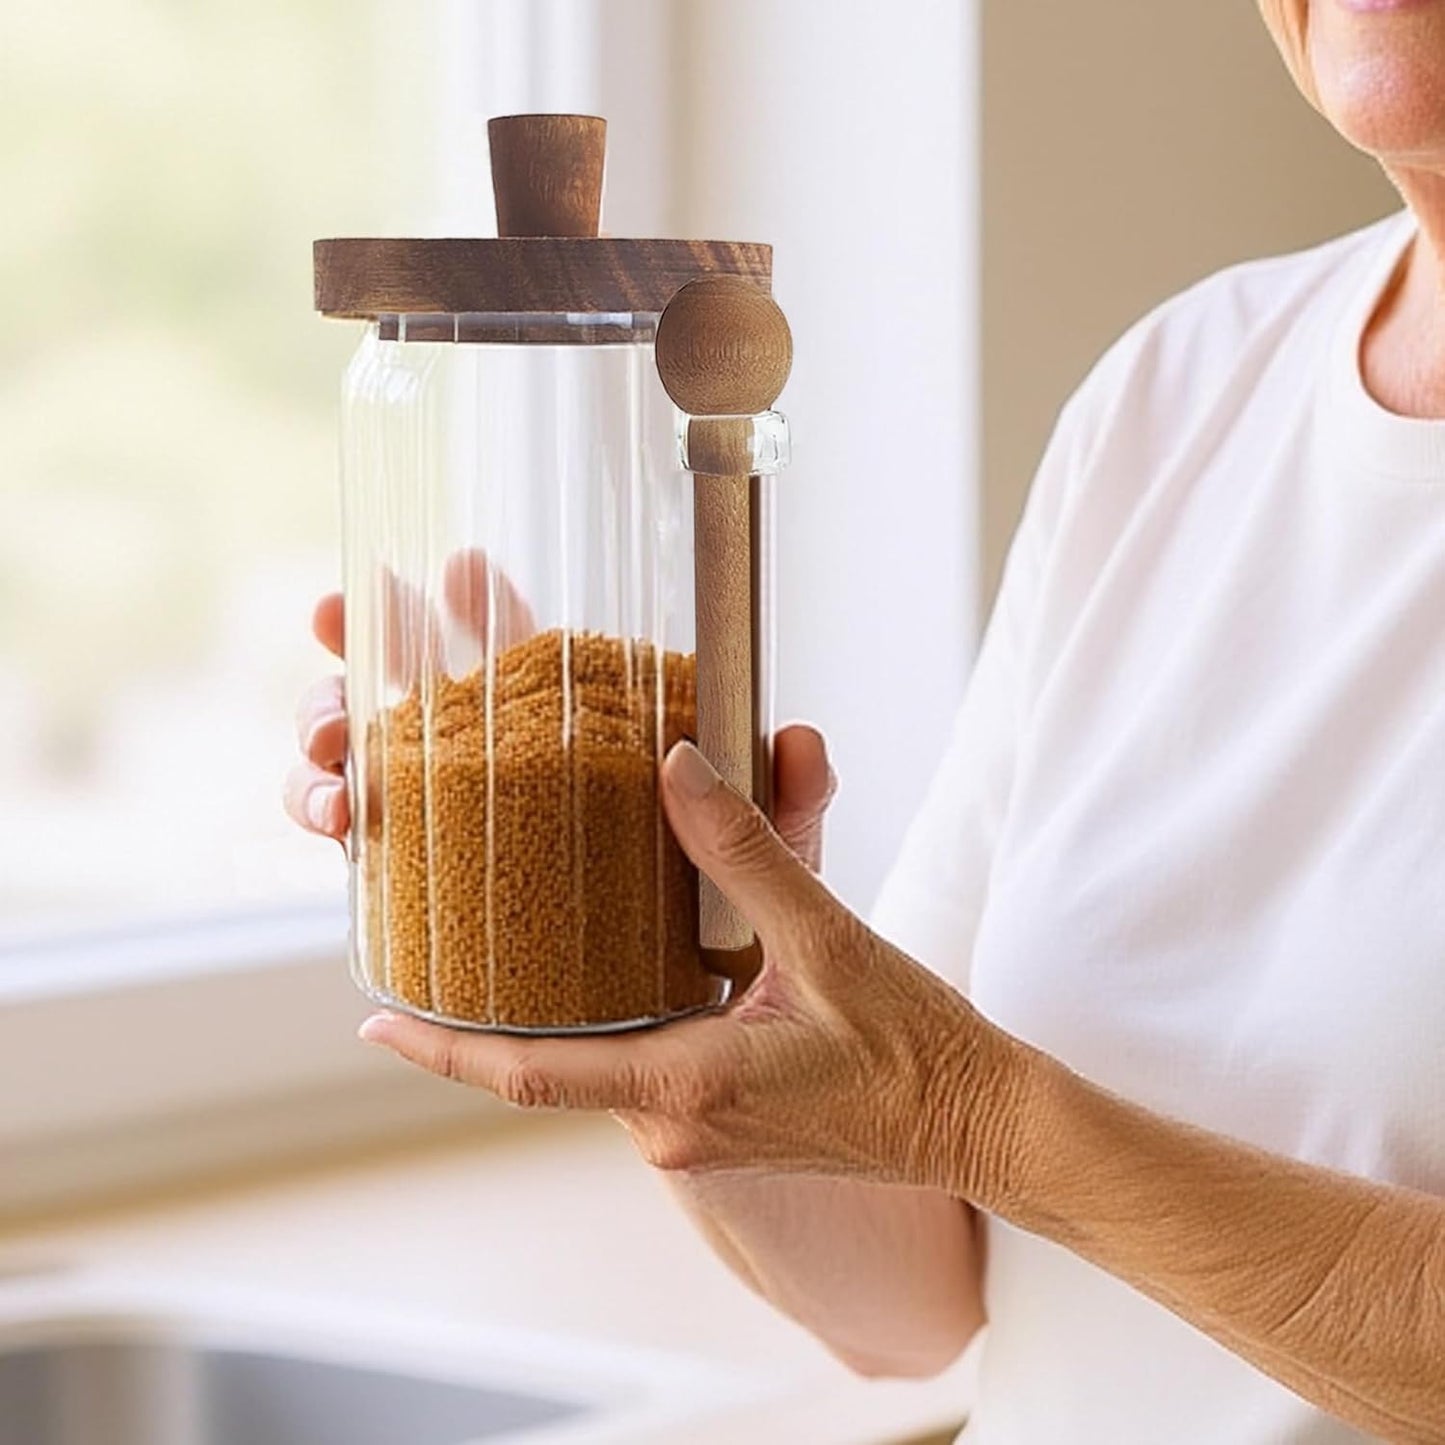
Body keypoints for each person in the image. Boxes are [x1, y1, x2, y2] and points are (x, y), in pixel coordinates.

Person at [285, 4, 1445, 1439]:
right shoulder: (1179, 392)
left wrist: (974, 1112)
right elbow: (918, 1297)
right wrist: (686, 975)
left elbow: (969, 1123)